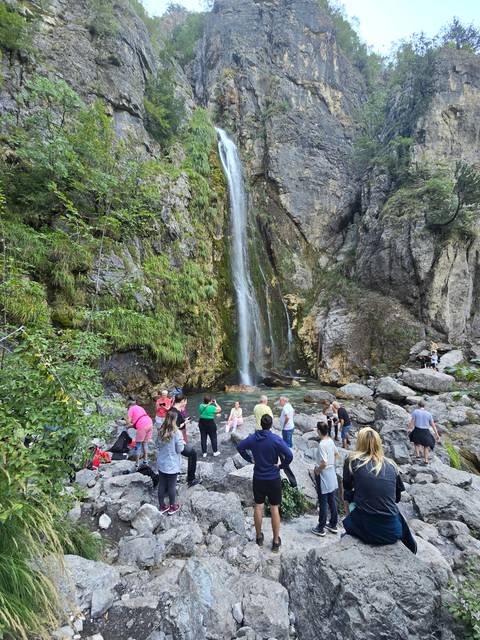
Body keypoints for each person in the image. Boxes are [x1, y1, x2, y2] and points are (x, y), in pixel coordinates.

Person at [237, 414, 293, 553]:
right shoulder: (275, 439)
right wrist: (281, 466)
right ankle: (275, 542)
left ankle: (258, 537)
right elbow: (290, 455)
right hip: (273, 478)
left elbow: (240, 447)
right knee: (274, 508)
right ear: (271, 425)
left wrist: (250, 459)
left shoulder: (253, 438)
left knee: (258, 507)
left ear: (260, 424)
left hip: (258, 478)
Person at [342, 427, 406, 546]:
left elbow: (347, 489)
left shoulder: (352, 461)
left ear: (359, 443)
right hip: (393, 531)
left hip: (367, 529)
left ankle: (350, 523)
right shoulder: (391, 465)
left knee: (348, 493)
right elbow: (397, 498)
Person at [311, 421, 339, 536]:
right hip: (331, 472)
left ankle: (321, 527)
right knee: (331, 499)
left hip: (323, 474)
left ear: (318, 431)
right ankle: (333, 524)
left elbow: (323, 462)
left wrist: (317, 471)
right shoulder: (330, 441)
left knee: (323, 501)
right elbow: (337, 454)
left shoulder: (322, 444)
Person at [157, 409, 184, 515]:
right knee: (172, 485)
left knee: (162, 484)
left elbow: (157, 445)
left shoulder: (160, 431)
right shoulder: (177, 433)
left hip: (162, 462)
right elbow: (180, 449)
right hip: (172, 464)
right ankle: (173, 507)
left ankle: (162, 506)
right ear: (175, 419)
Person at [170, 394, 200, 487]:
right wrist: (180, 440)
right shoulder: (177, 413)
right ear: (182, 401)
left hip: (169, 440)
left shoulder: (171, 410)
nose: (186, 403)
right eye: (186, 401)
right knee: (192, 453)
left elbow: (174, 425)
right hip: (174, 441)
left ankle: (175, 476)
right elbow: (177, 427)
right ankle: (191, 479)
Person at [408, 400, 440, 465]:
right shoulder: (428, 414)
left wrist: (410, 428)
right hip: (425, 431)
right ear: (424, 406)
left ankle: (417, 455)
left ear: (418, 405)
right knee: (426, 446)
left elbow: (412, 421)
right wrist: (437, 434)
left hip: (417, 429)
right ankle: (426, 460)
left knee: (416, 441)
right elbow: (433, 425)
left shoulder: (415, 411)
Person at [127, 401, 153, 468]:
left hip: (142, 426)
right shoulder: (140, 407)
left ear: (129, 406)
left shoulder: (131, 409)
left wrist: (127, 426)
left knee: (138, 445)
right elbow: (139, 419)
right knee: (145, 443)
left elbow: (128, 422)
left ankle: (137, 463)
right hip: (150, 422)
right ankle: (145, 461)